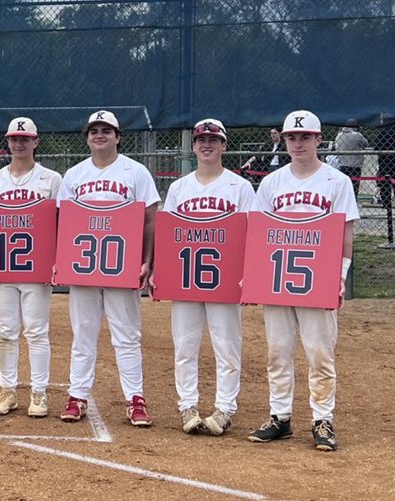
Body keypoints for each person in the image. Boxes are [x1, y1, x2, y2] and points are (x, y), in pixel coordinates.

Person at [247, 110, 359, 452]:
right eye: (292, 137)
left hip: (319, 279)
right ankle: (280, 416)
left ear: (318, 141)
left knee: (319, 353)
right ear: (283, 139)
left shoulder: (335, 181)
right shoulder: (272, 182)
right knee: (277, 351)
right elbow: (259, 232)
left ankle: (322, 418)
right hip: (279, 279)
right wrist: (256, 277)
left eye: (305, 137)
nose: (298, 143)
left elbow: (346, 232)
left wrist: (339, 276)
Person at [56, 110, 160, 427]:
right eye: (94, 131)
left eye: (106, 130)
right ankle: (77, 396)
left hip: (123, 266)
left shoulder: (136, 171)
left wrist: (147, 261)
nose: (99, 135)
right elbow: (64, 223)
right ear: (87, 137)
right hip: (84, 268)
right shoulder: (74, 175)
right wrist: (61, 263)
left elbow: (150, 220)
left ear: (118, 136)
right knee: (83, 335)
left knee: (126, 335)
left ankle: (135, 400)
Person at [157, 119, 256, 435]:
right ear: (194, 145)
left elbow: (251, 235)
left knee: (227, 346)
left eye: (214, 139)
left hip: (225, 280)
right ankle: (187, 405)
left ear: (224, 145)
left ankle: (225, 408)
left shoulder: (239, 187)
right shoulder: (179, 188)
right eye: (201, 139)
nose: (207, 144)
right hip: (186, 279)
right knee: (184, 346)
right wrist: (162, 271)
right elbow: (168, 235)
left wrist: (248, 275)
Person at [0, 117, 61, 417]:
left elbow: (61, 225)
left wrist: (56, 262)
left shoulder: (51, 180)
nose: (19, 143)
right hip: (2, 267)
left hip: (36, 267)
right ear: (8, 141)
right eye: (14, 138)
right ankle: (8, 390)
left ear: (35, 142)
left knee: (37, 331)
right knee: (5, 331)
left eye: (24, 138)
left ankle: (39, 393)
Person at [376, 120, 395, 208]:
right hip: (394, 160)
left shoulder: (382, 132)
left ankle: (386, 203)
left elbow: (378, 146)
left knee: (384, 182)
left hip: (384, 161)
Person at [334, 120, 369, 196]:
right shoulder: (357, 135)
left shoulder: (339, 135)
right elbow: (365, 144)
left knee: (344, 187)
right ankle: (353, 202)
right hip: (355, 165)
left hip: (343, 164)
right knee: (354, 187)